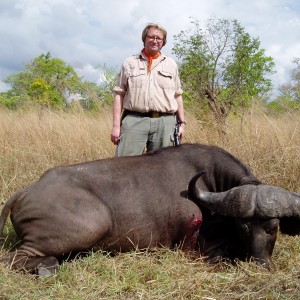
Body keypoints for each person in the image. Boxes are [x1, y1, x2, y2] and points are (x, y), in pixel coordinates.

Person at [111, 23, 186, 156]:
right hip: (134, 120)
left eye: (159, 38)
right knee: (124, 167)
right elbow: (119, 94)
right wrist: (116, 126)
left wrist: (182, 123)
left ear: (163, 42)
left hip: (165, 123)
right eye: (151, 37)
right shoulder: (130, 63)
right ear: (144, 38)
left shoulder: (171, 64)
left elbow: (177, 95)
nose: (155, 41)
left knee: (162, 168)